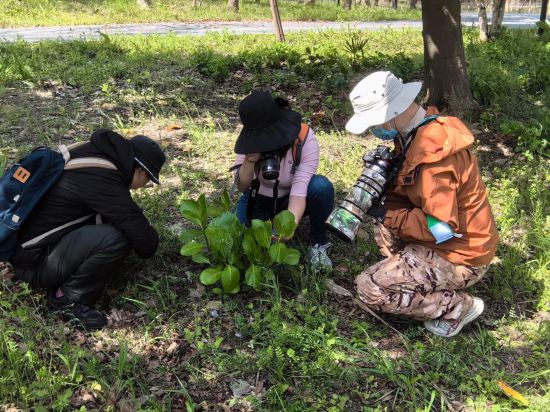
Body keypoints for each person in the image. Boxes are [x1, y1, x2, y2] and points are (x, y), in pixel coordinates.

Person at [346, 71, 498, 337]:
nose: (373, 131)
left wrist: (386, 213)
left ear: (389, 114)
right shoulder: (419, 130)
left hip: (461, 252)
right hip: (453, 242)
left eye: (373, 124)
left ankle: (458, 307)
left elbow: (441, 228)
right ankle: (418, 274)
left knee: (370, 288)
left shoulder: (433, 156)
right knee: (384, 226)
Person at [11, 129, 166, 330]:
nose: (145, 186)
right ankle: (68, 298)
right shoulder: (104, 179)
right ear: (142, 172)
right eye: (148, 181)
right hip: (34, 266)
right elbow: (146, 242)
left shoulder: (89, 152)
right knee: (118, 237)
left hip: (22, 250)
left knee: (116, 224)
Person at [233, 90, 335, 272]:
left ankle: (318, 243)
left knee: (321, 186)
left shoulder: (303, 137)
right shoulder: (250, 138)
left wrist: (289, 226)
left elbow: (300, 187)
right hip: (256, 199)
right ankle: (263, 224)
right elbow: (242, 187)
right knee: (237, 238)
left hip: (290, 197)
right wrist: (249, 161)